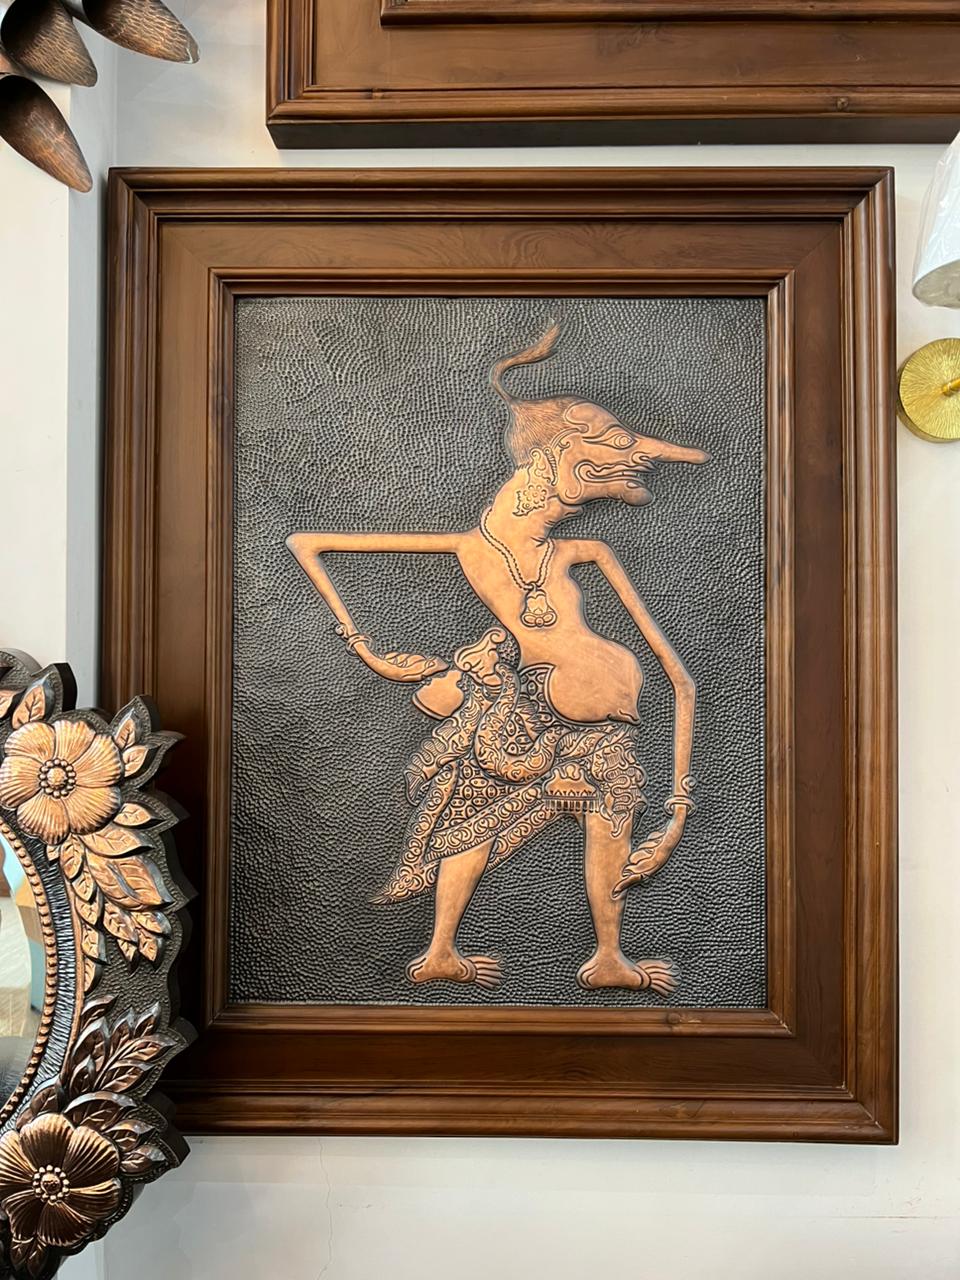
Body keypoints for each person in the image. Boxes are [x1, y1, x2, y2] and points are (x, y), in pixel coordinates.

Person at [288, 323, 708, 995]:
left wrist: (681, 802)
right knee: (480, 822)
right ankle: (447, 951)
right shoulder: (473, 545)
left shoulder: (581, 551)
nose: (615, 475)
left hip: (601, 718)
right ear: (546, 466)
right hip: (543, 709)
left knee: (530, 824)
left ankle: (602, 957)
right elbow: (307, 543)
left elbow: (679, 678)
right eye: (595, 457)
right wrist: (364, 649)